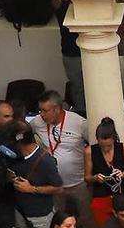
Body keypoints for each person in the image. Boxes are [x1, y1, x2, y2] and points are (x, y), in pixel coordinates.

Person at [29, 89, 92, 220]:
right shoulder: (37, 122)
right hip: (54, 186)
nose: (42, 115)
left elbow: (94, 147)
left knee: (86, 220)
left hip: (79, 184)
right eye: (40, 110)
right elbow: (25, 137)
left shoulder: (79, 123)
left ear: (57, 109)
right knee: (61, 221)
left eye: (45, 111)